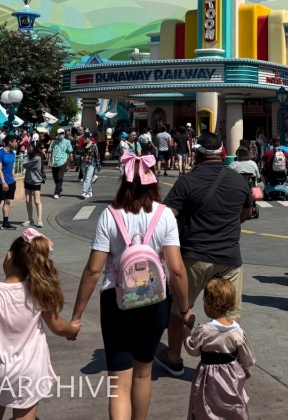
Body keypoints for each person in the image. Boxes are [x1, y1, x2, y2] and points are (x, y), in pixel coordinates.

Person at [69, 151, 193, 420]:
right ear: (153, 183)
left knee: (118, 383)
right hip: (154, 301)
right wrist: (184, 309)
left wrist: (76, 315)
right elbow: (177, 270)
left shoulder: (109, 215)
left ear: (123, 183)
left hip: (115, 301)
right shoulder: (165, 216)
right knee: (143, 372)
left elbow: (93, 269)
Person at [156, 132, 254, 377]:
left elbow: (168, 216)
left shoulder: (187, 181)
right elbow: (245, 214)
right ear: (222, 153)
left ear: (196, 153)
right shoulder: (239, 181)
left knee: (180, 309)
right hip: (229, 257)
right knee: (229, 313)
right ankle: (227, 363)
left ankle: (175, 358)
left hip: (193, 255)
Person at [0, 229, 79, 419]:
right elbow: (57, 327)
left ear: (9, 257)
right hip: (29, 372)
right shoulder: (37, 292)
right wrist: (72, 329)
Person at [184, 277, 256, 420]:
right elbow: (247, 357)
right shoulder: (238, 332)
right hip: (231, 376)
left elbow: (192, 349)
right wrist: (246, 369)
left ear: (209, 305)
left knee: (206, 405)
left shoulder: (204, 330)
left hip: (207, 377)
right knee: (232, 404)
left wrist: (186, 329)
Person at [0, 134, 18, 231]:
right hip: (0, 182)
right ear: (10, 142)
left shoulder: (12, 153)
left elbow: (12, 167)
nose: (17, 143)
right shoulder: (0, 153)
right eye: (15, 141)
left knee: (7, 201)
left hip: (11, 181)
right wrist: (3, 182)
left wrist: (13, 179)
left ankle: (5, 222)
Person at [22, 140, 45, 228]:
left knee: (37, 201)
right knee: (28, 201)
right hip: (27, 180)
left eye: (29, 146)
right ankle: (30, 219)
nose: (28, 148)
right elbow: (25, 164)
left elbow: (25, 165)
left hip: (36, 181)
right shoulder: (28, 156)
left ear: (34, 147)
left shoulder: (37, 158)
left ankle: (39, 220)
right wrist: (26, 159)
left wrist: (26, 160)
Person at [48, 130, 71, 199]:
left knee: (59, 177)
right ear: (57, 134)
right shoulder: (53, 142)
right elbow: (50, 151)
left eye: (62, 133)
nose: (61, 135)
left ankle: (56, 192)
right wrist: (49, 160)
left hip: (62, 161)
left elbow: (69, 151)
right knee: (55, 177)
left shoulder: (67, 142)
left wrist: (68, 163)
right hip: (54, 162)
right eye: (60, 133)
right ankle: (59, 188)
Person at [81, 133, 99, 199]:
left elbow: (97, 155)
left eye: (86, 137)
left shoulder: (94, 145)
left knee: (88, 178)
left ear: (90, 137)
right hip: (83, 163)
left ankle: (84, 192)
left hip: (91, 163)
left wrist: (98, 165)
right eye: (85, 137)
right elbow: (81, 153)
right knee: (86, 177)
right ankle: (90, 191)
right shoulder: (84, 145)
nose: (85, 138)